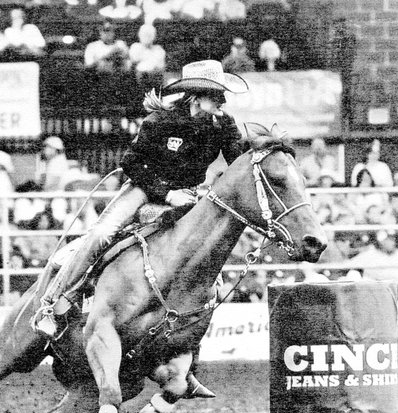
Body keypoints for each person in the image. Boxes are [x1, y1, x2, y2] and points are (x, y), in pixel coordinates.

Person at [32, 59, 248, 337]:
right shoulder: (160, 121)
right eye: (217, 96)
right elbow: (131, 163)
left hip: (189, 196)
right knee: (101, 234)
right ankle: (51, 305)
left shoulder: (222, 125)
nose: (222, 102)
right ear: (196, 98)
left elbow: (238, 162)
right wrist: (168, 194)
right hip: (145, 189)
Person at [128, 23, 165, 88]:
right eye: (144, 34)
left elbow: (160, 67)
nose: (147, 37)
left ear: (154, 36)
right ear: (139, 35)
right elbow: (133, 63)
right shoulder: (135, 47)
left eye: (149, 35)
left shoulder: (158, 50)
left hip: (154, 80)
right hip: (137, 82)